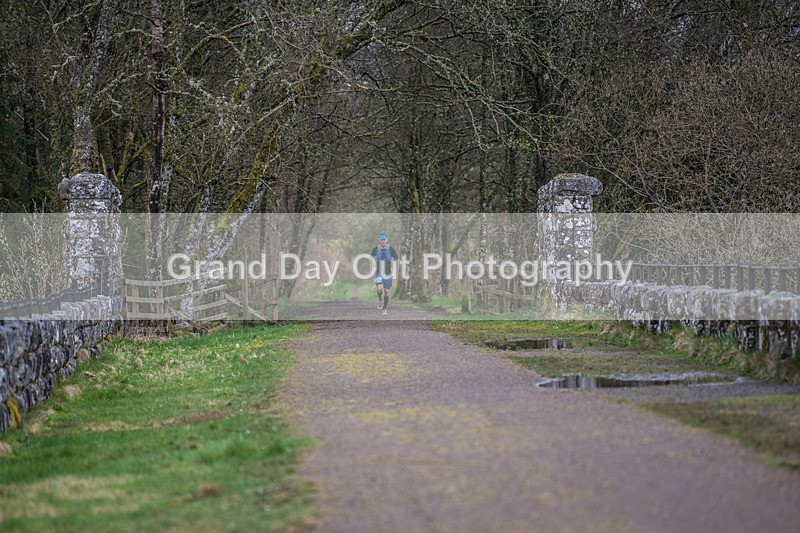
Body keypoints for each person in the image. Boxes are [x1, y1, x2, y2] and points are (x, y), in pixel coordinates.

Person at [371, 233, 399, 315]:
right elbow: (371, 256)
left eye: (384, 240)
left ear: (386, 240)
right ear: (379, 241)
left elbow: (396, 258)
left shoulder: (391, 249)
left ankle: (385, 308)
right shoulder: (376, 249)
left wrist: (394, 264)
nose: (383, 241)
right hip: (379, 271)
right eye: (381, 240)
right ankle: (380, 298)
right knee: (380, 288)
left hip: (388, 272)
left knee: (386, 290)